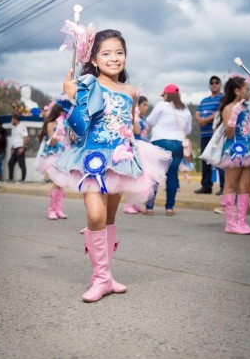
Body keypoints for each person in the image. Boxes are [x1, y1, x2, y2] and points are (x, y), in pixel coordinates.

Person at [48, 29, 172, 303]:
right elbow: (78, 128)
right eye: (106, 53)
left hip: (121, 160)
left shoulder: (130, 90)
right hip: (92, 161)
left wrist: (131, 150)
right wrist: (70, 98)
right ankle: (99, 278)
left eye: (119, 52)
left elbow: (128, 127)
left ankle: (106, 276)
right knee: (95, 217)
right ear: (93, 57)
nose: (114, 58)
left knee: (110, 219)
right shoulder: (86, 84)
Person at [142, 84, 192, 216]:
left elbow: (150, 121)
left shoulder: (161, 105)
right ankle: (170, 208)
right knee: (172, 175)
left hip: (160, 142)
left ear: (167, 94)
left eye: (163, 95)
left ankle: (149, 207)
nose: (163, 97)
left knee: (155, 175)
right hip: (178, 143)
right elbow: (188, 130)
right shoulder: (185, 109)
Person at [216, 76, 250, 234]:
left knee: (244, 186)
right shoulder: (229, 108)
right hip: (234, 150)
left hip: (247, 150)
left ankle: (242, 222)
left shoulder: (246, 107)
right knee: (231, 185)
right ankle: (230, 223)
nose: (249, 91)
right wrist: (233, 118)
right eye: (247, 89)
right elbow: (229, 134)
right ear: (237, 91)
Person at [36, 104, 70, 220]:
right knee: (57, 183)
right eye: (62, 112)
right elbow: (52, 143)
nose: (63, 114)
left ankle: (58, 209)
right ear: (57, 112)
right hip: (54, 156)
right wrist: (59, 130)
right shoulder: (50, 124)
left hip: (64, 156)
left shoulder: (65, 124)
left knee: (61, 184)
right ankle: (51, 210)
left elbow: (68, 140)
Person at [194, 76, 224, 195]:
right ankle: (206, 186)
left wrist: (205, 119)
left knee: (218, 160)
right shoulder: (204, 100)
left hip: (216, 134)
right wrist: (200, 119)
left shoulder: (222, 98)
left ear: (220, 84)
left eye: (216, 82)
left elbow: (220, 112)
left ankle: (223, 187)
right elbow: (197, 113)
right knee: (205, 160)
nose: (214, 84)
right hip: (204, 134)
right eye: (211, 83)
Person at [123, 95, 149, 214]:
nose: (147, 107)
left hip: (143, 146)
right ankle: (129, 205)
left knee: (141, 177)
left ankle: (136, 203)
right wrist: (136, 117)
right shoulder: (135, 117)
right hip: (135, 147)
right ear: (137, 106)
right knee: (134, 176)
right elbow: (136, 131)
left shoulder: (142, 117)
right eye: (144, 105)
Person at [8, 114, 29, 182]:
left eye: (12, 119)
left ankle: (23, 179)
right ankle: (10, 178)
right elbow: (15, 138)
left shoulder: (22, 126)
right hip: (15, 148)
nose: (11, 121)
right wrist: (12, 147)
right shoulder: (14, 127)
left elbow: (26, 138)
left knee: (21, 163)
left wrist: (22, 148)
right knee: (10, 163)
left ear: (16, 120)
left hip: (20, 147)